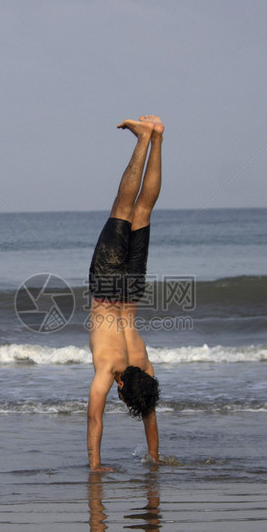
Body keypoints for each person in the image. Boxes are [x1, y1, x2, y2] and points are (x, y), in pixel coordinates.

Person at [87, 114, 163, 471]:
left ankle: (157, 137)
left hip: (132, 292)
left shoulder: (145, 367)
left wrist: (155, 457)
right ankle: (142, 139)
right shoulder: (107, 370)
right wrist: (95, 466)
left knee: (144, 212)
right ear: (121, 389)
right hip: (105, 288)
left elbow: (150, 413)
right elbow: (94, 421)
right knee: (123, 207)